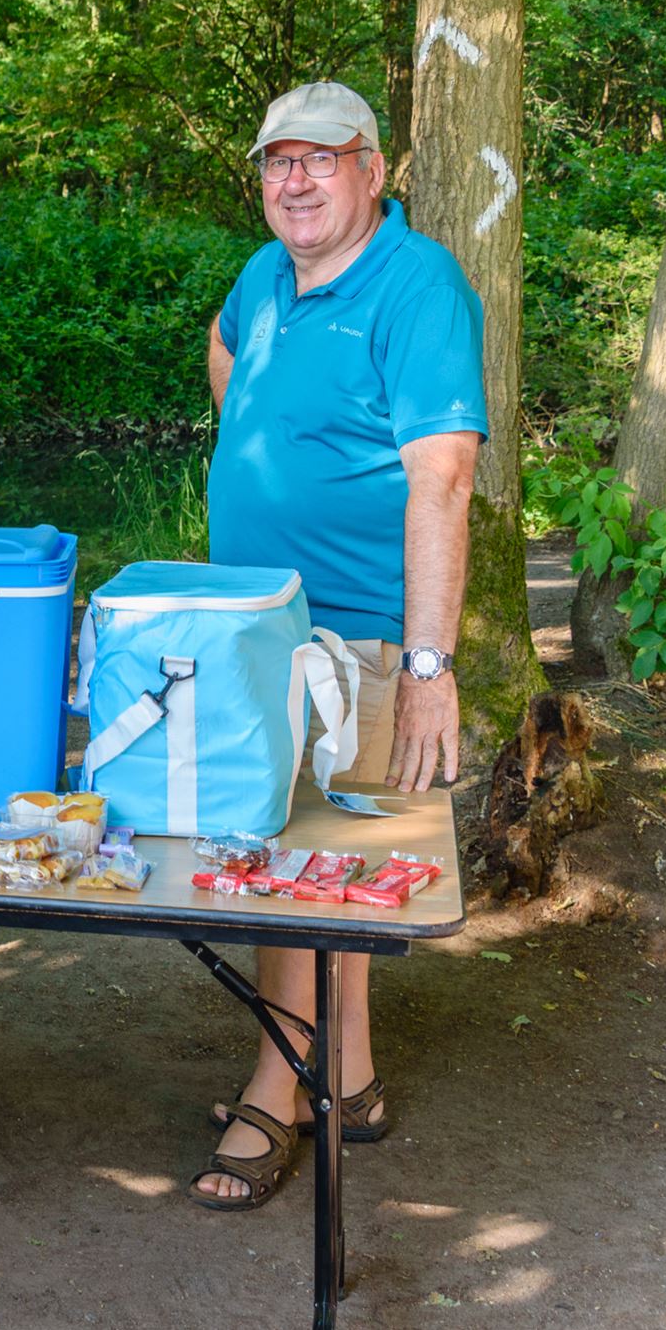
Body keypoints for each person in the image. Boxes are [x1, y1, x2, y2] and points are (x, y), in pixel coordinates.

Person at [195, 82, 485, 1208]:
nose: (296, 181)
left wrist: (426, 666)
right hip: (257, 630)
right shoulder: (264, 276)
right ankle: (349, 1078)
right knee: (308, 859)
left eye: (321, 159)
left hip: (354, 636)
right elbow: (224, 349)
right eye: (278, 161)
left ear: (373, 169)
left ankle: (275, 1091)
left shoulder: (418, 286)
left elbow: (443, 478)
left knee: (299, 877)